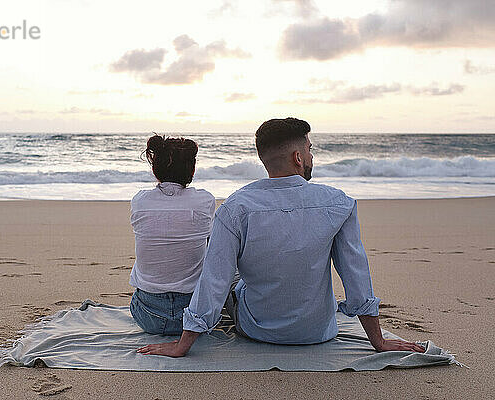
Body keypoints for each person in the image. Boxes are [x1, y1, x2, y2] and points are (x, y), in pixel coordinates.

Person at [137, 118, 425, 356]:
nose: (312, 156)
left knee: (232, 272)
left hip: (257, 329)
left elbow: (214, 279)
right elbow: (356, 276)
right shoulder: (340, 203)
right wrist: (378, 341)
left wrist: (182, 345)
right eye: (310, 150)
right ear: (298, 157)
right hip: (318, 332)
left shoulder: (236, 207)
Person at [129, 134, 216, 335]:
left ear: (155, 169)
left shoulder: (140, 200)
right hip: (194, 317)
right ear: (191, 170)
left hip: (147, 316)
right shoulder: (204, 200)